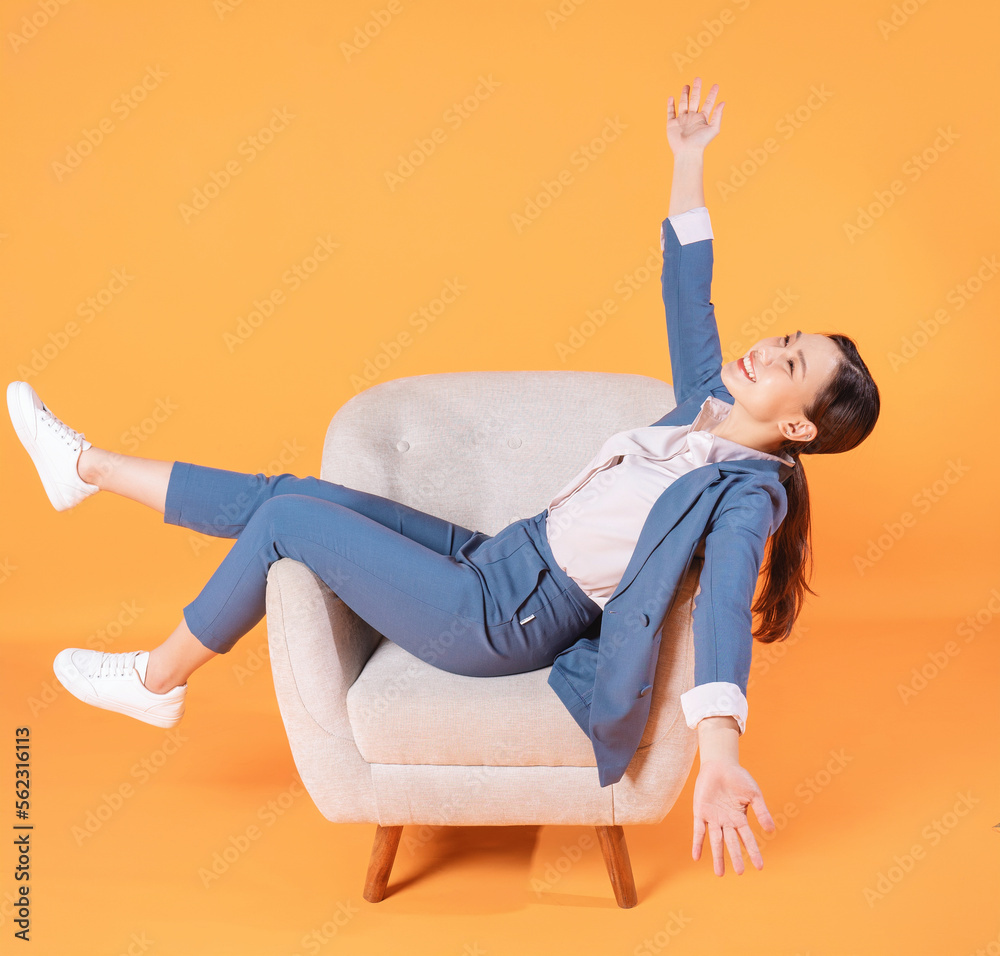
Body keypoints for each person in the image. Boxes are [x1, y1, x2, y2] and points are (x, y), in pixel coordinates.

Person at [7, 77, 879, 879]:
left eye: (788, 361)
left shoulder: (748, 492)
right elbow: (690, 296)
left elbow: (725, 604)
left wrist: (720, 755)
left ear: (798, 425)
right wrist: (689, 159)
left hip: (504, 618)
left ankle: (156, 682)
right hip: (501, 555)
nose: (766, 348)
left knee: (286, 528)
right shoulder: (704, 406)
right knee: (292, 495)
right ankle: (85, 467)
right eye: (784, 336)